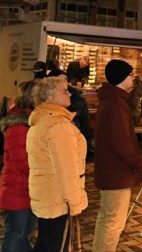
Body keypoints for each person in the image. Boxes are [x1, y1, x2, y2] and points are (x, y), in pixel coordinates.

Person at [26, 76, 88, 251]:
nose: (69, 94)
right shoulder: (58, 126)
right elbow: (66, 170)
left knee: (46, 242)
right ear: (50, 97)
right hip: (58, 199)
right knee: (55, 245)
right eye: (64, 91)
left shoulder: (43, 120)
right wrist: (74, 203)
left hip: (47, 195)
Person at [92, 60, 142, 251]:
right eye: (130, 75)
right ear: (122, 78)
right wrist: (135, 161)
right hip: (117, 174)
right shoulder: (115, 104)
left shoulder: (114, 101)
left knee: (107, 218)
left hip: (111, 171)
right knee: (113, 222)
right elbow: (122, 141)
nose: (133, 78)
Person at [0, 80, 37, 251]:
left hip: (27, 189)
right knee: (16, 233)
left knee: (24, 233)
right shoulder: (18, 125)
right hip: (17, 189)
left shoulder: (30, 122)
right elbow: (23, 162)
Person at [46, 70, 91, 151]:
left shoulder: (76, 97)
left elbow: (84, 120)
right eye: (59, 80)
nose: (64, 82)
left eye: (65, 79)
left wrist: (83, 138)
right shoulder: (46, 101)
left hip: (74, 140)